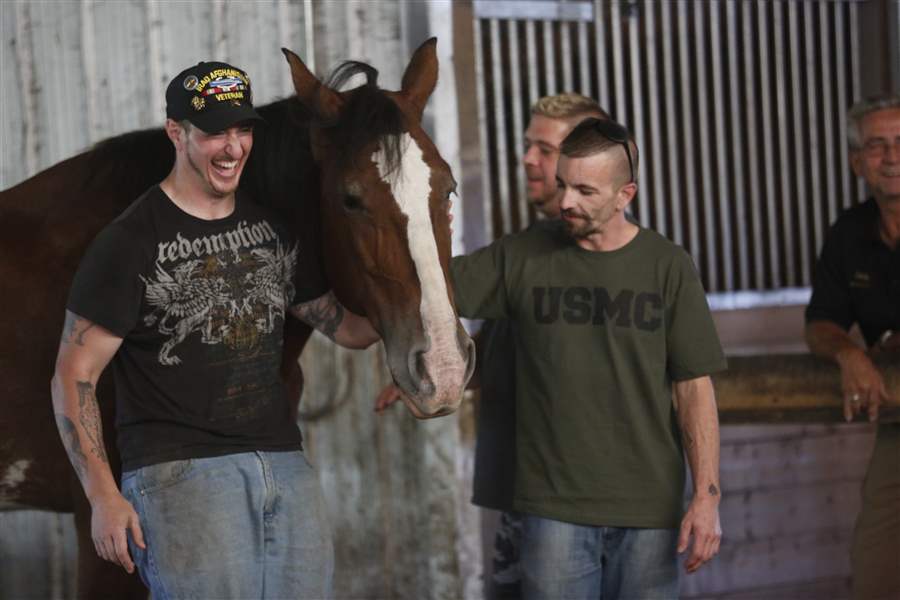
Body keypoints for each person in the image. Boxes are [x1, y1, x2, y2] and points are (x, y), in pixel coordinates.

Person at [50, 61, 378, 599]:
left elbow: (348, 329)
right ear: (176, 133)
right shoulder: (129, 242)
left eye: (243, 129)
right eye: (213, 132)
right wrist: (102, 495)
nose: (232, 147)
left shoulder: (271, 230)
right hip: (181, 475)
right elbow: (74, 374)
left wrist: (428, 314)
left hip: (283, 466)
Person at [381, 117, 725, 598]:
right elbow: (425, 289)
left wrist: (706, 497)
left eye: (585, 191)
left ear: (625, 195)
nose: (565, 201)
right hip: (553, 509)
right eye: (562, 184)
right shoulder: (523, 254)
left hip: (649, 510)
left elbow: (694, 388)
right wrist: (426, 230)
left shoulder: (667, 266)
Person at [471, 93, 608, 600]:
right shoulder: (528, 249)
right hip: (525, 493)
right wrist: (440, 364)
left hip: (578, 499)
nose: (528, 159)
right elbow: (500, 349)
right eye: (528, 145)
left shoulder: (615, 256)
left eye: (544, 150)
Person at [805, 94, 900, 600]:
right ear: (857, 162)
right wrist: (850, 353)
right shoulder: (850, 231)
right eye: (877, 145)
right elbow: (821, 322)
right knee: (876, 562)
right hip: (898, 420)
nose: (892, 156)